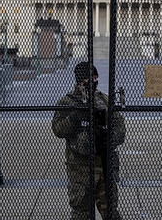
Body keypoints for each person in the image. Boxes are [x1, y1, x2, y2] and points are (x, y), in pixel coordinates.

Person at [52, 61, 126, 219]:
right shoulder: (67, 102)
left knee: (111, 211)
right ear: (79, 80)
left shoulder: (104, 100)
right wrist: (74, 118)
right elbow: (57, 129)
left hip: (104, 164)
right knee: (82, 213)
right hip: (81, 168)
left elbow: (119, 125)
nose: (92, 82)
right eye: (87, 79)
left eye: (94, 77)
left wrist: (111, 138)